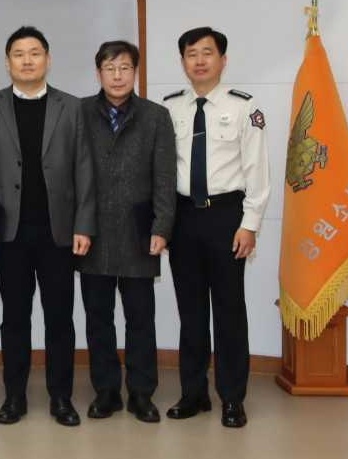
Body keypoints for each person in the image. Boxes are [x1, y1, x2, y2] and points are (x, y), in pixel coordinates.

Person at [0, 26, 95, 427]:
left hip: (58, 233)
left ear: (48, 58)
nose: (27, 60)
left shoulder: (72, 107)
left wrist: (84, 225)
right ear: (7, 61)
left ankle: (61, 398)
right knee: (14, 319)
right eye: (19, 54)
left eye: (35, 53)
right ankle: (14, 397)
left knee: (59, 318)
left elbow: (84, 170)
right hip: (9, 234)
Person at [163, 26, 271, 429]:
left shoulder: (244, 107)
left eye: (207, 53)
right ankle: (193, 393)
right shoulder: (170, 107)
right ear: (182, 62)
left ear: (223, 60)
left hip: (227, 216)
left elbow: (257, 170)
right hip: (183, 217)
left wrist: (250, 224)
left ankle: (232, 398)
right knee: (190, 312)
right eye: (191, 54)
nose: (200, 61)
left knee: (229, 311)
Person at [76, 40, 176, 423]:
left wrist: (162, 226)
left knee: (140, 318)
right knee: (98, 317)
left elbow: (165, 177)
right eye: (110, 68)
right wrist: (77, 225)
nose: (117, 76)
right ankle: (106, 392)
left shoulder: (156, 116)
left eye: (124, 68)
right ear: (98, 73)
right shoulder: (80, 113)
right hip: (93, 232)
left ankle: (141, 392)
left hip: (139, 232)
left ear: (135, 72)